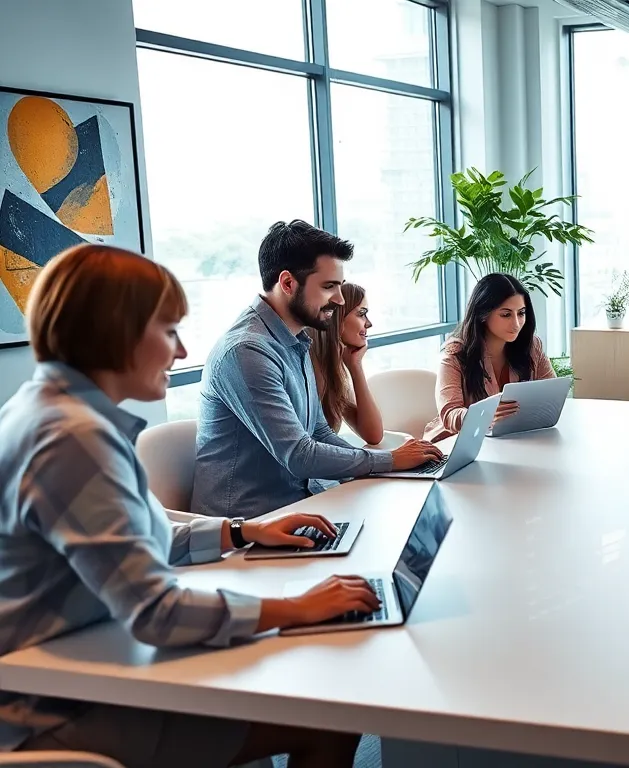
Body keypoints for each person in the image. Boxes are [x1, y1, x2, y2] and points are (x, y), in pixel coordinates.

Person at [0, 244, 384, 767]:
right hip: (57, 709)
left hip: (82, 662)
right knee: (331, 713)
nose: (181, 353)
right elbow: (156, 613)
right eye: (169, 332)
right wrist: (294, 610)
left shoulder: (48, 412)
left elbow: (141, 534)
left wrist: (243, 533)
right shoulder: (72, 439)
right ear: (117, 333)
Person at [193, 221, 442, 520]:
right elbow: (299, 456)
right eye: (328, 287)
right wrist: (387, 461)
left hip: (302, 507)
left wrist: (388, 465)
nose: (338, 299)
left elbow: (319, 431)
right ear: (287, 283)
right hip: (252, 528)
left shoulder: (296, 339)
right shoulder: (247, 352)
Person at [424, 273, 556, 441]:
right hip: (455, 445)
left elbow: (551, 394)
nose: (516, 324)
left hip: (510, 440)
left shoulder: (531, 346)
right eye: (506, 314)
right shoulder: (455, 354)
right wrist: (483, 416)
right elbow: (450, 414)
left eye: (521, 313)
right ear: (483, 314)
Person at [309, 281, 384, 445]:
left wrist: (355, 367)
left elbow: (373, 435)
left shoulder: (332, 368)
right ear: (337, 317)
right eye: (361, 313)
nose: (368, 323)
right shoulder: (308, 366)